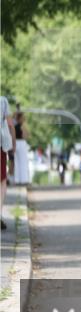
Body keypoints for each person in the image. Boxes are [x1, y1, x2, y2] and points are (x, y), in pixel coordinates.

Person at [0, 95, 14, 229]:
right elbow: (10, 125)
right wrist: (12, 146)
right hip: (1, 146)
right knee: (2, 180)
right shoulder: (3, 101)